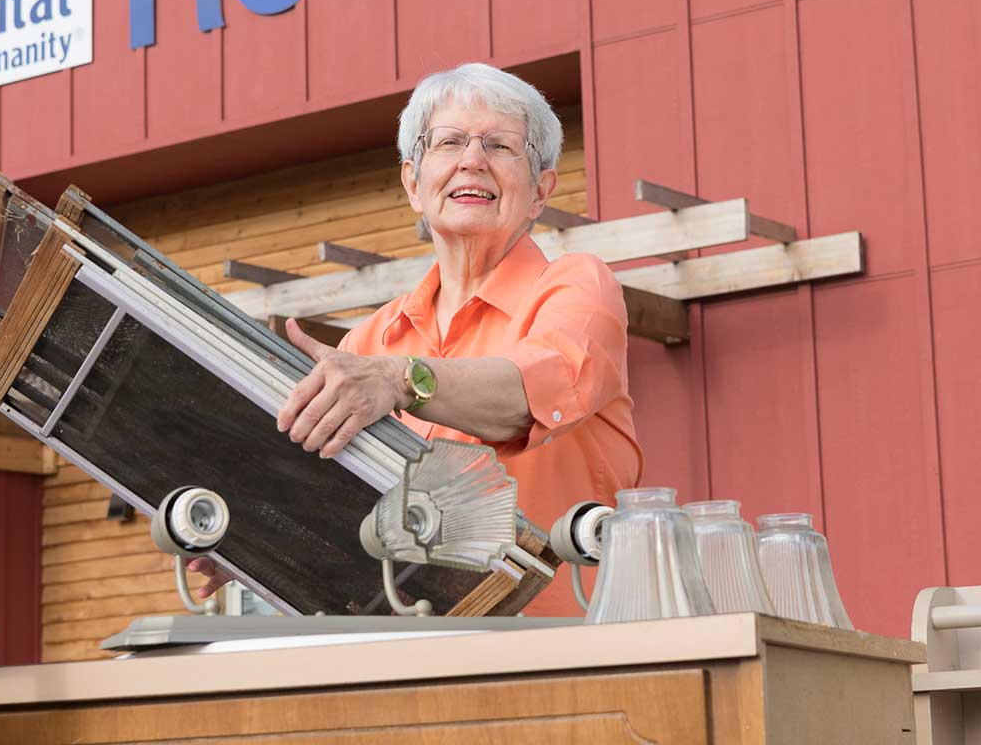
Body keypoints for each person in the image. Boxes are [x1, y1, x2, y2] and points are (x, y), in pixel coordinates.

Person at [191, 62, 643, 617]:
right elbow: (340, 500)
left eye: (501, 146)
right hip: (407, 651)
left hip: (565, 653)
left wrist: (400, 379)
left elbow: (529, 398)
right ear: (413, 183)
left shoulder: (577, 285)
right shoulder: (371, 340)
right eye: (449, 142)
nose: (472, 160)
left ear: (540, 191)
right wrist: (262, 534)